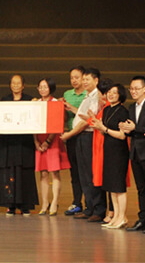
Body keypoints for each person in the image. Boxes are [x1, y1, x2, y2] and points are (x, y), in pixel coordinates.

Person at [60, 67, 106, 223]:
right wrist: (70, 108)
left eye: (87, 79)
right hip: (81, 137)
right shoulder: (88, 95)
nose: (84, 82)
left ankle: (98, 210)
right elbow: (82, 115)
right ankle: (89, 208)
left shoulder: (96, 96)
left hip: (88, 136)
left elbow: (87, 121)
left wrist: (69, 134)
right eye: (83, 79)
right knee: (84, 174)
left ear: (96, 80)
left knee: (92, 174)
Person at [119, 76, 145, 233]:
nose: (133, 91)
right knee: (141, 188)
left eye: (137, 88)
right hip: (135, 152)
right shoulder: (131, 107)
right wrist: (125, 128)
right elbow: (132, 130)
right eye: (131, 88)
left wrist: (134, 128)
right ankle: (142, 218)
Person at [0, 74, 40, 216]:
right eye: (13, 83)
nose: (15, 85)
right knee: (8, 172)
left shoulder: (30, 100)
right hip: (8, 142)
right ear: (10, 85)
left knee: (25, 173)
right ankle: (10, 205)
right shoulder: (4, 101)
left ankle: (25, 205)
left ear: (23, 85)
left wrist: (36, 104)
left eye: (18, 83)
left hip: (24, 142)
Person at [90, 83, 130, 229]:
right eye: (109, 92)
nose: (111, 95)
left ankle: (122, 217)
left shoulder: (123, 112)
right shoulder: (106, 110)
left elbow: (122, 135)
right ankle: (116, 216)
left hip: (119, 152)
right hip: (108, 151)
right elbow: (103, 131)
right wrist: (98, 126)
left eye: (114, 92)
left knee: (119, 186)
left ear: (120, 95)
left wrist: (104, 129)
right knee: (111, 187)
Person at [34, 77, 70, 216]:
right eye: (40, 87)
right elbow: (32, 124)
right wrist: (36, 142)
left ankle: (54, 202)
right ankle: (44, 203)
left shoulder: (56, 103)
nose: (43, 89)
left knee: (54, 172)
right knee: (43, 173)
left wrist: (48, 141)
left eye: (45, 87)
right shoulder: (36, 104)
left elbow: (57, 124)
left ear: (51, 88)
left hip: (53, 140)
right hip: (39, 140)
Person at [62, 66, 87, 216]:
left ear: (84, 78)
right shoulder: (67, 94)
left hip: (85, 135)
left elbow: (86, 115)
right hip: (71, 136)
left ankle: (90, 203)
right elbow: (65, 117)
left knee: (86, 171)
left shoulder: (88, 94)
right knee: (74, 171)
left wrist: (71, 107)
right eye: (72, 77)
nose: (74, 80)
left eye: (77, 77)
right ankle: (77, 202)